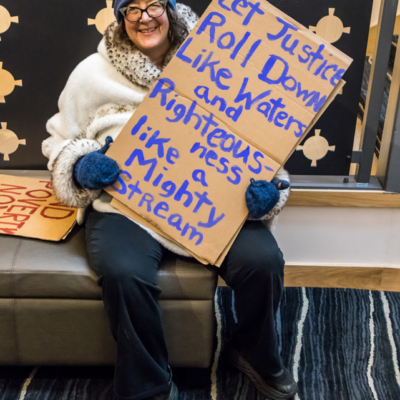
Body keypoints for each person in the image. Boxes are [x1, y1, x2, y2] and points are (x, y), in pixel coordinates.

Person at [42, 1, 297, 399]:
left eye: (154, 5)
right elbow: (59, 139)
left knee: (263, 262)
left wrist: (269, 188)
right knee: (123, 272)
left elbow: (259, 137)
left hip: (211, 198)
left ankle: (253, 351)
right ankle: (148, 386)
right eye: (132, 9)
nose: (144, 17)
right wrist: (80, 166)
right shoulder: (90, 74)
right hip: (124, 206)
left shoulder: (220, 64)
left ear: (172, 9)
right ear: (121, 17)